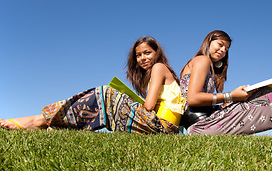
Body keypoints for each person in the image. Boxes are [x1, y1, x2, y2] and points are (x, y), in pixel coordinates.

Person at [0, 37, 185, 134]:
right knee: (105, 98)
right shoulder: (155, 72)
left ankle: (39, 120)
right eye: (138, 55)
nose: (143, 58)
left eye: (147, 53)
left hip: (162, 126)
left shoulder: (159, 67)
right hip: (163, 126)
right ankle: (50, 123)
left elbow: (149, 106)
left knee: (106, 93)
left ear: (156, 53)